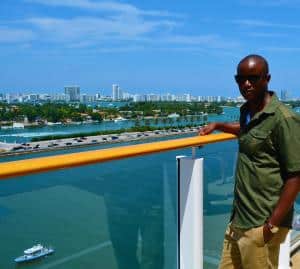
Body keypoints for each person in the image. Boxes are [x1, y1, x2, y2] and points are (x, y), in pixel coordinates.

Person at [199, 54, 300, 269]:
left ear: (267, 78)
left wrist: (270, 227)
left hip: (261, 224)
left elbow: (295, 177)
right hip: (238, 220)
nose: (246, 84)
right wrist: (219, 125)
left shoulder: (284, 119)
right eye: (240, 79)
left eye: (253, 78)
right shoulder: (248, 111)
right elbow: (247, 130)